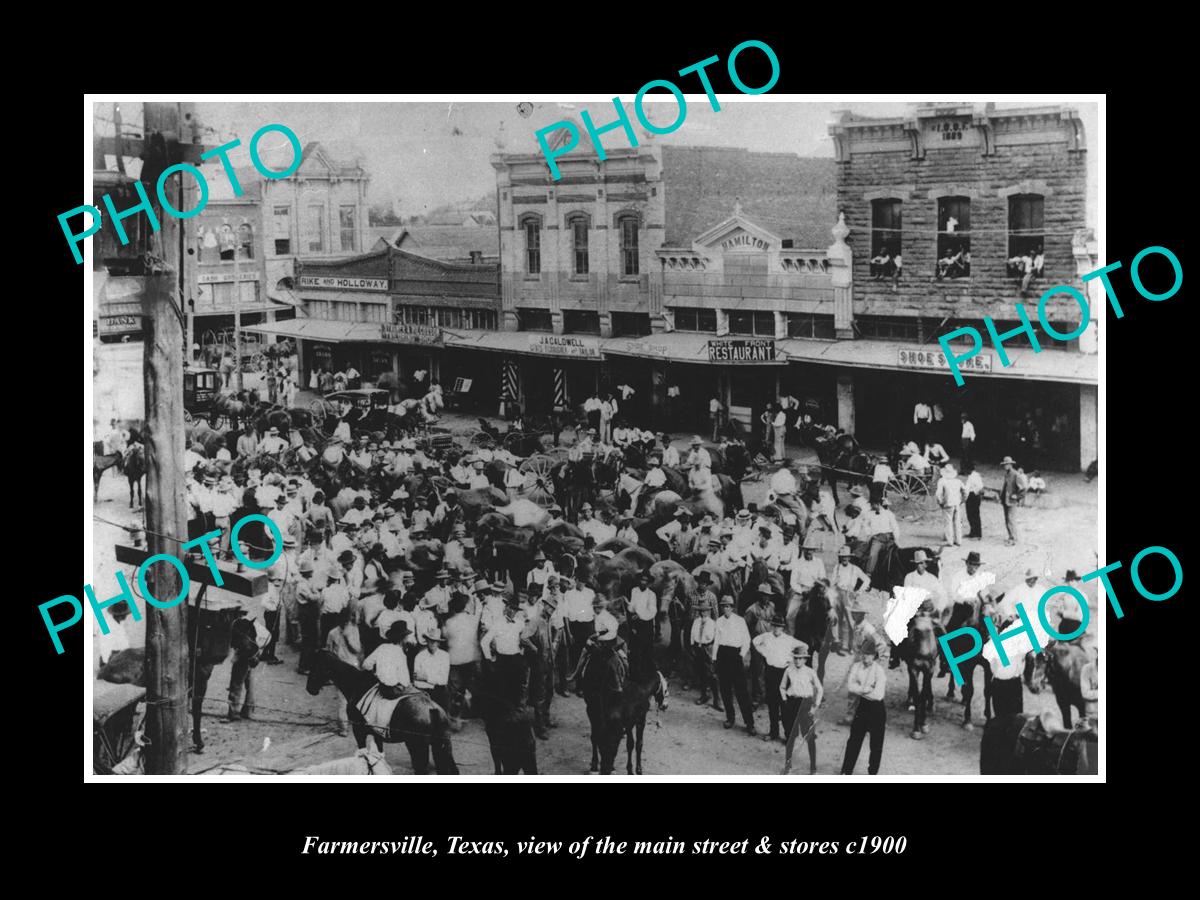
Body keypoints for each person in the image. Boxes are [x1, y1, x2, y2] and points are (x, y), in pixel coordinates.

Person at [840, 636, 887, 775]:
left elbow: (878, 695)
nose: (865, 656)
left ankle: (872, 773)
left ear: (874, 656)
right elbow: (850, 686)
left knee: (876, 745)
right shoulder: (856, 666)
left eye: (868, 654)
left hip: (877, 709)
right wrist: (867, 689)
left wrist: (860, 689)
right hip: (862, 707)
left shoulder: (879, 671)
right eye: (863, 653)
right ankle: (846, 771)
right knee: (854, 740)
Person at [753, 615, 802, 742]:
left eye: (779, 626)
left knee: (784, 705)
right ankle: (773, 732)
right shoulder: (767, 636)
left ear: (783, 628)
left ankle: (788, 735)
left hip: (783, 673)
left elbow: (804, 646)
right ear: (771, 626)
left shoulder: (788, 639)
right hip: (770, 672)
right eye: (774, 625)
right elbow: (755, 641)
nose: (776, 628)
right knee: (772, 704)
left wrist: (792, 661)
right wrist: (764, 653)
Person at [712, 596, 755, 734]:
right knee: (725, 689)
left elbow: (747, 640)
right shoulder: (718, 621)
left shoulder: (740, 621)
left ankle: (749, 723)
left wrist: (741, 655)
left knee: (741, 691)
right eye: (724, 606)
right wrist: (714, 658)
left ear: (733, 607)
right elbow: (717, 641)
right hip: (722, 655)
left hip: (735, 655)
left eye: (728, 606)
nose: (726, 608)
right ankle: (730, 718)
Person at [780, 642, 823, 775]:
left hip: (805, 704)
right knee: (790, 736)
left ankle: (813, 766)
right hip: (792, 704)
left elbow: (820, 689)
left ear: (805, 659)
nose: (798, 661)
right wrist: (785, 700)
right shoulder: (788, 670)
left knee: (809, 736)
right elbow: (782, 687)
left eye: (801, 658)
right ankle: (788, 765)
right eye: (796, 658)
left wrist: (814, 707)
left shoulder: (810, 672)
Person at [325, 607, 362, 735]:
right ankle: (344, 727)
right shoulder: (334, 633)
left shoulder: (351, 631)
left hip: (348, 668)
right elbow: (329, 651)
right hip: (344, 668)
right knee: (344, 700)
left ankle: (345, 726)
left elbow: (356, 649)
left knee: (346, 700)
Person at [226, 618, 265, 722]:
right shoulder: (253, 628)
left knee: (236, 684)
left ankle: (233, 711)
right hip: (253, 656)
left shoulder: (239, 628)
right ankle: (247, 710)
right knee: (250, 685)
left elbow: (239, 644)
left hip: (243, 657)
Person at [363, 620, 413, 699]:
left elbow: (366, 664)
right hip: (394, 691)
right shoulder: (400, 653)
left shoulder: (382, 647)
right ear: (403, 638)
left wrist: (375, 673)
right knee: (421, 693)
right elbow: (405, 680)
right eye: (406, 636)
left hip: (382, 688)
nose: (407, 639)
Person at [413, 626, 451, 712]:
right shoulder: (419, 657)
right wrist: (434, 679)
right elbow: (417, 681)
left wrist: (426, 678)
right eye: (431, 640)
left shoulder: (444, 656)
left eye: (436, 641)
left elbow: (443, 680)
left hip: (439, 692)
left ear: (439, 643)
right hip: (423, 692)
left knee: (441, 717)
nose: (433, 643)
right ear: (426, 641)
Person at [690, 600, 720, 709]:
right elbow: (692, 634)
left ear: (709, 612)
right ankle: (704, 695)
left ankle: (717, 699)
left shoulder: (712, 623)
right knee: (701, 672)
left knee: (712, 674)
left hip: (708, 648)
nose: (704, 613)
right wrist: (693, 645)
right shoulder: (696, 622)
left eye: (706, 611)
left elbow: (715, 638)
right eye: (702, 611)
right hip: (698, 648)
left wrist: (714, 653)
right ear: (699, 612)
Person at [935, 463, 964, 547]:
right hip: (957, 504)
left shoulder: (942, 481)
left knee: (948, 522)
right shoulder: (958, 481)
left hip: (947, 504)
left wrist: (941, 502)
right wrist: (962, 500)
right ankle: (958, 541)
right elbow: (965, 491)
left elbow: (938, 494)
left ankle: (950, 541)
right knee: (957, 522)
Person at [629, 572, 657, 658]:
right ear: (639, 580)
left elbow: (652, 612)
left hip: (646, 623)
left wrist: (640, 615)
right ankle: (634, 667)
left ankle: (646, 668)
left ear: (648, 582)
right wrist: (630, 607)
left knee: (646, 648)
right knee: (634, 647)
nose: (643, 582)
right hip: (635, 622)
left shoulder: (651, 594)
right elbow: (632, 605)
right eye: (642, 580)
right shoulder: (634, 591)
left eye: (646, 581)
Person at [999, 455, 1026, 545]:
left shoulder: (1015, 474)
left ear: (1011, 464)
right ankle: (1010, 536)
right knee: (1007, 519)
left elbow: (1023, 488)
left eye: (1007, 464)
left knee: (1011, 519)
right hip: (1005, 500)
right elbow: (1005, 486)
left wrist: (1017, 496)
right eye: (1004, 464)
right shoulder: (1006, 474)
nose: (1005, 466)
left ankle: (1014, 538)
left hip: (1012, 501)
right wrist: (1001, 496)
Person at [962, 463, 983, 540]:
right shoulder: (970, 476)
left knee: (975, 515)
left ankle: (977, 534)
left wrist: (974, 493)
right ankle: (972, 532)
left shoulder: (975, 476)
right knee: (970, 515)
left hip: (974, 496)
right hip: (970, 496)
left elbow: (980, 487)